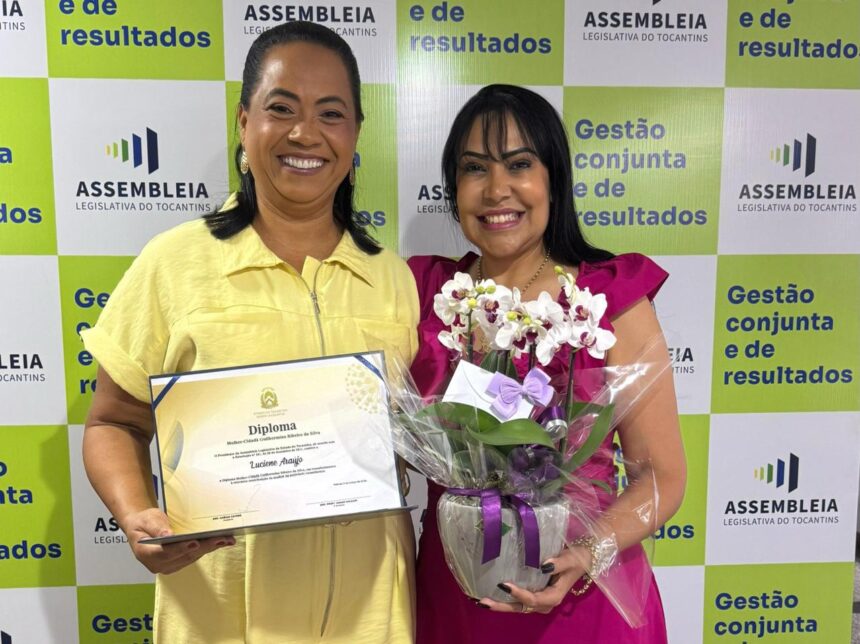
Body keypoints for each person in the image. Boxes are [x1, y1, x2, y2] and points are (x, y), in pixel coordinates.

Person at [81, 22, 418, 643]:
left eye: (331, 114)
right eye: (280, 108)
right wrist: (136, 515)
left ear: (355, 135)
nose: (304, 134)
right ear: (244, 123)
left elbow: (406, 442)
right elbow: (112, 422)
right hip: (219, 615)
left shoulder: (391, 279)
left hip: (372, 616)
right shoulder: (173, 262)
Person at [408, 84, 686, 643]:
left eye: (519, 164)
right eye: (474, 168)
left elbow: (664, 477)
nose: (497, 189)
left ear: (553, 180)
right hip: (460, 594)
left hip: (583, 600)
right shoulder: (427, 294)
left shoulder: (610, 300)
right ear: (453, 189)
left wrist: (588, 552)